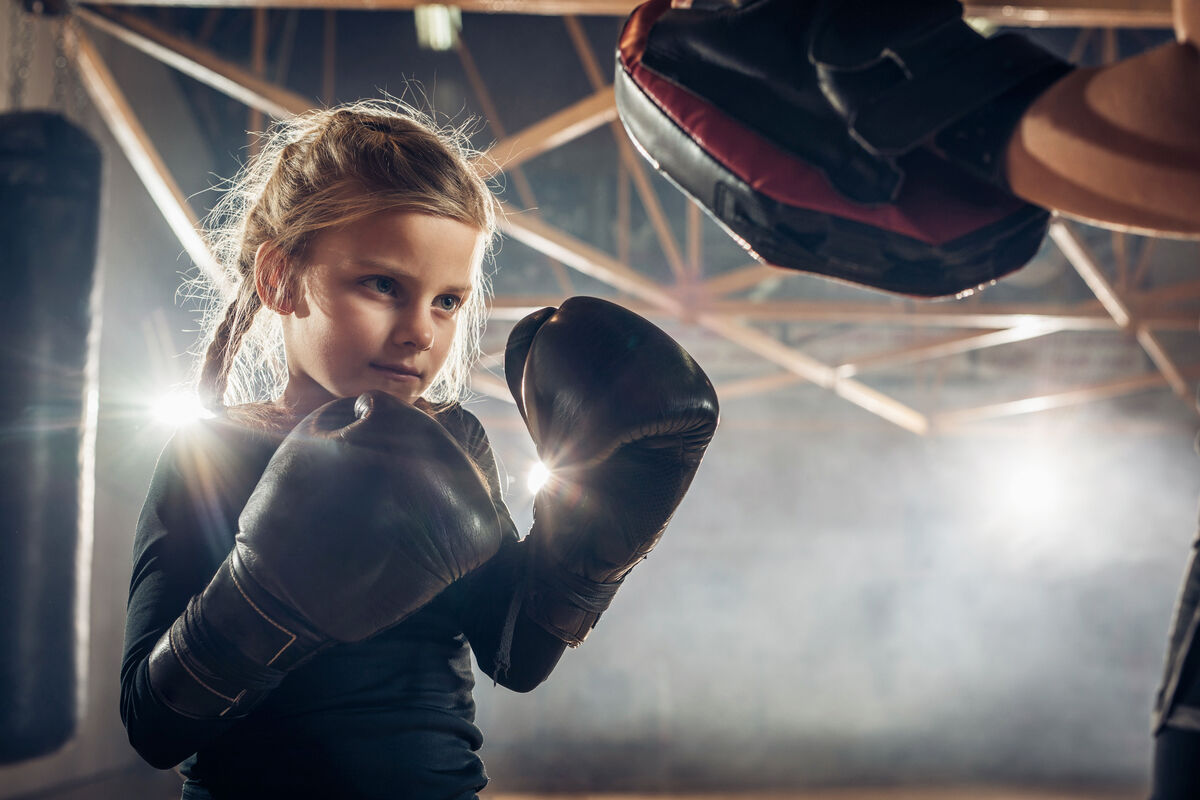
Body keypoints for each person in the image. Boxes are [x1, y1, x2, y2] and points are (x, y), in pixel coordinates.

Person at [119, 100, 719, 800]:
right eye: (383, 285)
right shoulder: (210, 453)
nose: (420, 332)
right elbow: (151, 725)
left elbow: (515, 654)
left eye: (447, 301)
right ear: (280, 278)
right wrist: (259, 601)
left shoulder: (450, 442)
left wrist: (597, 531)